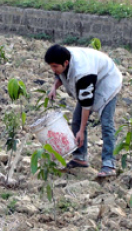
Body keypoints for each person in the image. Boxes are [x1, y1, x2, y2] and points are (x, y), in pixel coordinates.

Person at [44, 44, 122, 177]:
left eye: (55, 66)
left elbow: (86, 105)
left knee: (106, 123)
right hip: (93, 77)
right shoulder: (62, 57)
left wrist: (81, 130)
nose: (53, 69)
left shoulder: (83, 72)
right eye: (51, 66)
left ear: (66, 62)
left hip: (107, 81)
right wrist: (54, 88)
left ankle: (109, 164)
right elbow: (60, 75)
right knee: (76, 121)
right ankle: (80, 157)